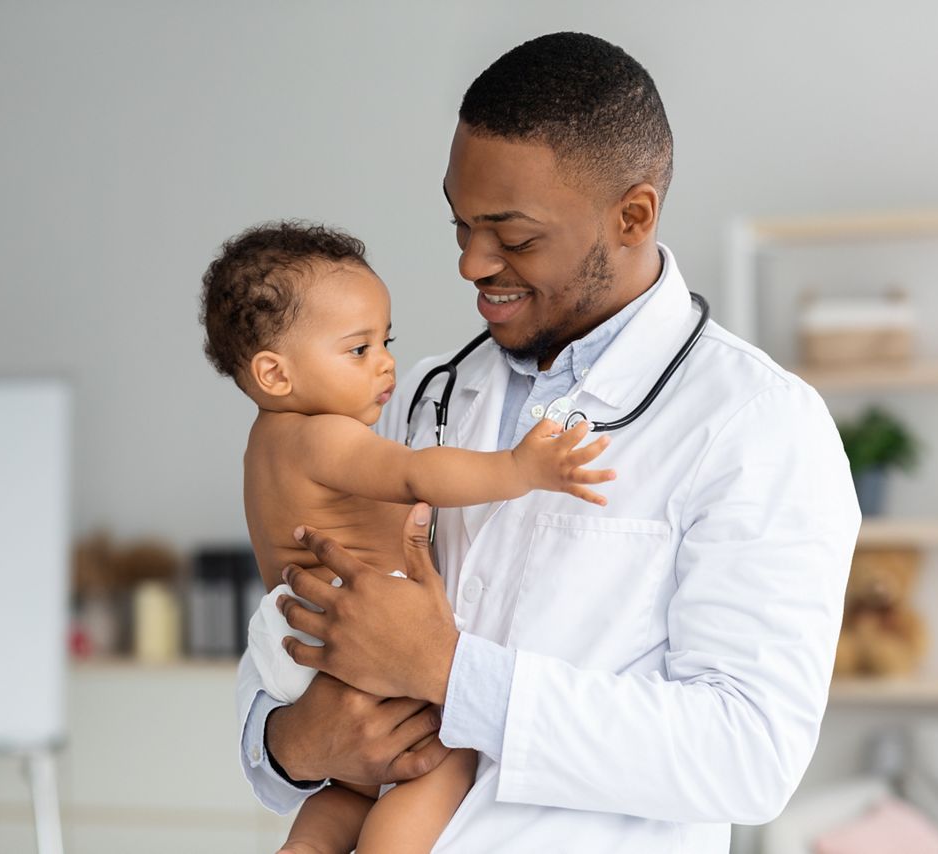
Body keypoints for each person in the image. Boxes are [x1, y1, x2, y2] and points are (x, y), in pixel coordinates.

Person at [235, 32, 861, 853]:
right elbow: (294, 649)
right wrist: (294, 742)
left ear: (632, 215)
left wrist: (452, 675)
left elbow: (749, 755)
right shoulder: (416, 396)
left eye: (513, 236)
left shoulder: (758, 426)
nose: (471, 263)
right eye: (460, 225)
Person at [199, 220, 614, 853]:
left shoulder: (265, 444)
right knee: (441, 755)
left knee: (350, 786)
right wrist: (517, 470)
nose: (387, 362)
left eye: (385, 341)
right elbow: (414, 472)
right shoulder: (324, 436)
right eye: (358, 350)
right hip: (356, 624)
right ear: (276, 375)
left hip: (299, 636)